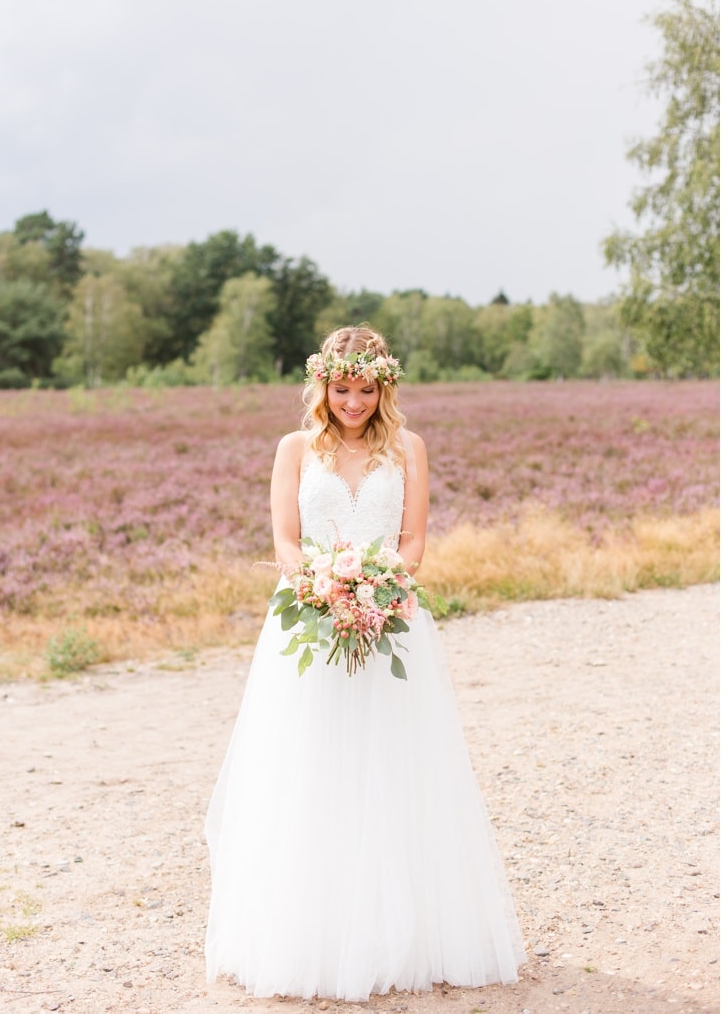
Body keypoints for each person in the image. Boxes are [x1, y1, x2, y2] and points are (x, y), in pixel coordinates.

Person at [205, 326, 526, 1001]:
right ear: (323, 386)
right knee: (310, 763)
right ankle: (308, 938)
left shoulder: (409, 449)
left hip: (391, 622)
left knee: (395, 765)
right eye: (342, 388)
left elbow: (413, 545)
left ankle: (404, 932)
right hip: (308, 620)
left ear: (385, 387)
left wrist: (372, 589)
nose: (353, 401)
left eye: (365, 389)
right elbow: (285, 542)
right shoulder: (294, 450)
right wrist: (325, 587)